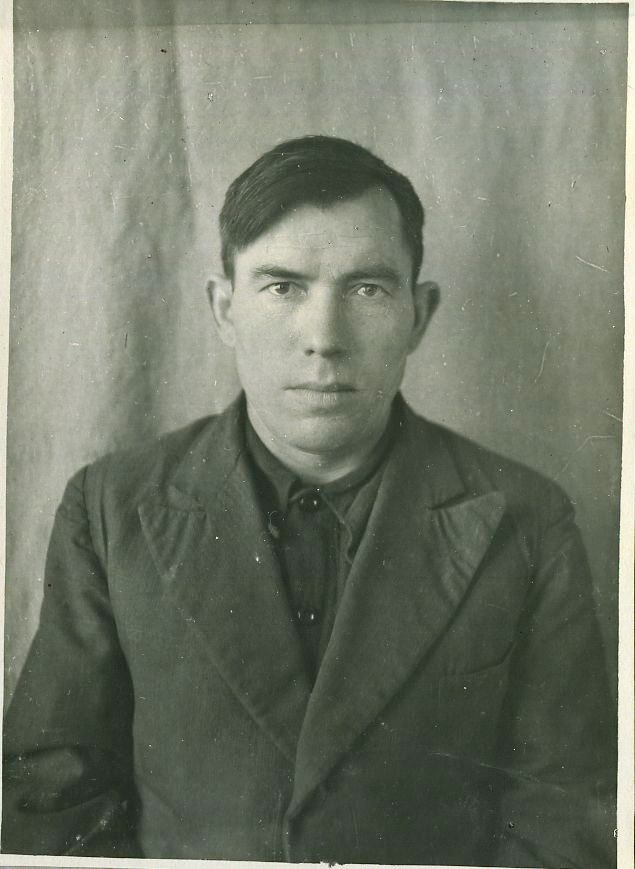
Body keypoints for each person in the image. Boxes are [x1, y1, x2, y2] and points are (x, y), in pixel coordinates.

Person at [2, 135, 616, 867]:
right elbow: (50, 803)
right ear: (224, 308)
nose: (323, 338)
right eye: (282, 287)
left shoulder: (526, 519)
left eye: (367, 289)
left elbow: (564, 817)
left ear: (419, 314)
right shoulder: (111, 508)